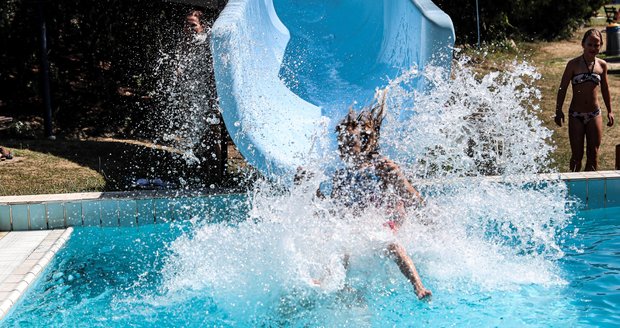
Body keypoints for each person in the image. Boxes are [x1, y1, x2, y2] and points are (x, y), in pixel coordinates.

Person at [306, 92, 432, 300]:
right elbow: (331, 210)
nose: (342, 147)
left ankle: (418, 286)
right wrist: (312, 190)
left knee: (392, 245)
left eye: (348, 142)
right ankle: (327, 279)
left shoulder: (381, 167)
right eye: (340, 143)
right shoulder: (340, 175)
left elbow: (413, 202)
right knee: (341, 245)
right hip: (359, 223)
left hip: (383, 221)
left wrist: (398, 178)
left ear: (364, 143)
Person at [555, 28, 614, 171]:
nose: (593, 48)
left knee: (593, 155)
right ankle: (575, 188)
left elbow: (605, 89)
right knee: (577, 156)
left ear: (600, 46)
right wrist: (558, 110)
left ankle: (591, 191)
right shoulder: (573, 64)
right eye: (590, 44)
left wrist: (610, 111)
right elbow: (562, 88)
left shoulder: (602, 65)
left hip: (595, 114)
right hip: (576, 115)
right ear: (583, 44)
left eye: (596, 45)